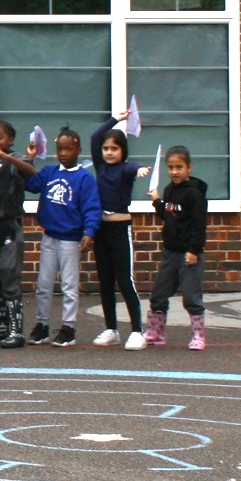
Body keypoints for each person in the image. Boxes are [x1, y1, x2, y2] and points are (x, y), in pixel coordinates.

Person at [25, 128, 101, 347]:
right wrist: (30, 159)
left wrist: (89, 232)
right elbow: (30, 184)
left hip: (70, 239)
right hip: (49, 236)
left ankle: (69, 327)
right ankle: (42, 325)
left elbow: (92, 209)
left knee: (69, 285)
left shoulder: (84, 178)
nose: (64, 153)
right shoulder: (49, 172)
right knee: (43, 284)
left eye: (69, 149)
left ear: (78, 150)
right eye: (60, 149)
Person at [90, 111, 153, 349]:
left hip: (119, 229)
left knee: (124, 279)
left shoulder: (126, 169)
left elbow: (134, 168)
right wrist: (116, 119)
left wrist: (140, 170)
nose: (108, 152)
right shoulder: (100, 167)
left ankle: (137, 331)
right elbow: (96, 136)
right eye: (106, 148)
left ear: (122, 151)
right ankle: (111, 329)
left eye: (114, 149)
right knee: (105, 281)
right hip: (101, 230)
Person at [0, 121, 37, 349]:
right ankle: (1, 326)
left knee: (9, 279)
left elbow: (31, 172)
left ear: (10, 140)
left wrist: (8, 156)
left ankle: (17, 330)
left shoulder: (14, 161)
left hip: (8, 228)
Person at [146, 146, 209, 350]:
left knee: (191, 297)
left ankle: (198, 335)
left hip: (189, 254)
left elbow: (199, 225)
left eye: (179, 167)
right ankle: (156, 333)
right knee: (159, 294)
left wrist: (193, 250)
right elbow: (168, 215)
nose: (174, 172)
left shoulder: (194, 194)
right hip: (170, 252)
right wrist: (157, 201)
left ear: (189, 168)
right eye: (171, 167)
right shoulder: (169, 190)